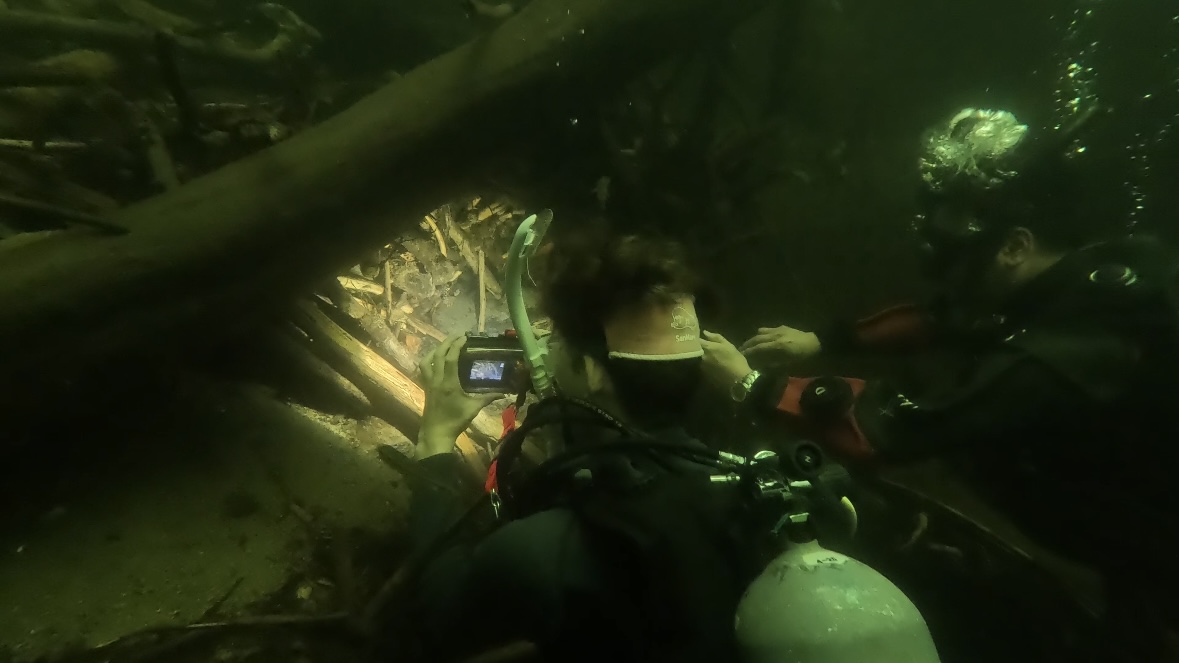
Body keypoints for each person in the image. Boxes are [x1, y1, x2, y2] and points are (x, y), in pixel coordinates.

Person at [701, 106, 1179, 661]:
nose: (949, 279)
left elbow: (897, 428)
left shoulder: (1068, 350)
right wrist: (822, 339)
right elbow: (948, 319)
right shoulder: (1085, 280)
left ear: (1015, 246)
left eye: (961, 260)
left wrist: (752, 386)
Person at [394, 232, 767, 663]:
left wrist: (436, 440)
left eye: (555, 342)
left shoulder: (541, 552)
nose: (545, 350)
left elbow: (447, 618)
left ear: (594, 373)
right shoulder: (746, 488)